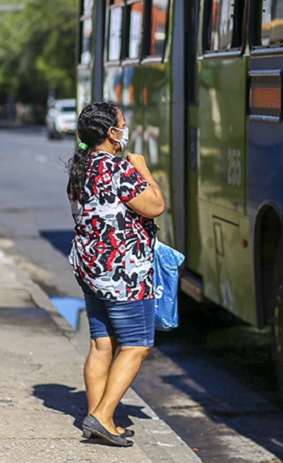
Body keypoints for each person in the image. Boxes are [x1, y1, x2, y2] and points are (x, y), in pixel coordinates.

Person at [66, 102, 164, 447]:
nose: (126, 128)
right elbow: (155, 204)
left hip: (91, 268)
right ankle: (104, 415)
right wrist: (143, 169)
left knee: (101, 343)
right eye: (122, 124)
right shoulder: (118, 169)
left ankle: (96, 417)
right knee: (137, 345)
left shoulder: (82, 167)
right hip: (123, 272)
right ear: (111, 133)